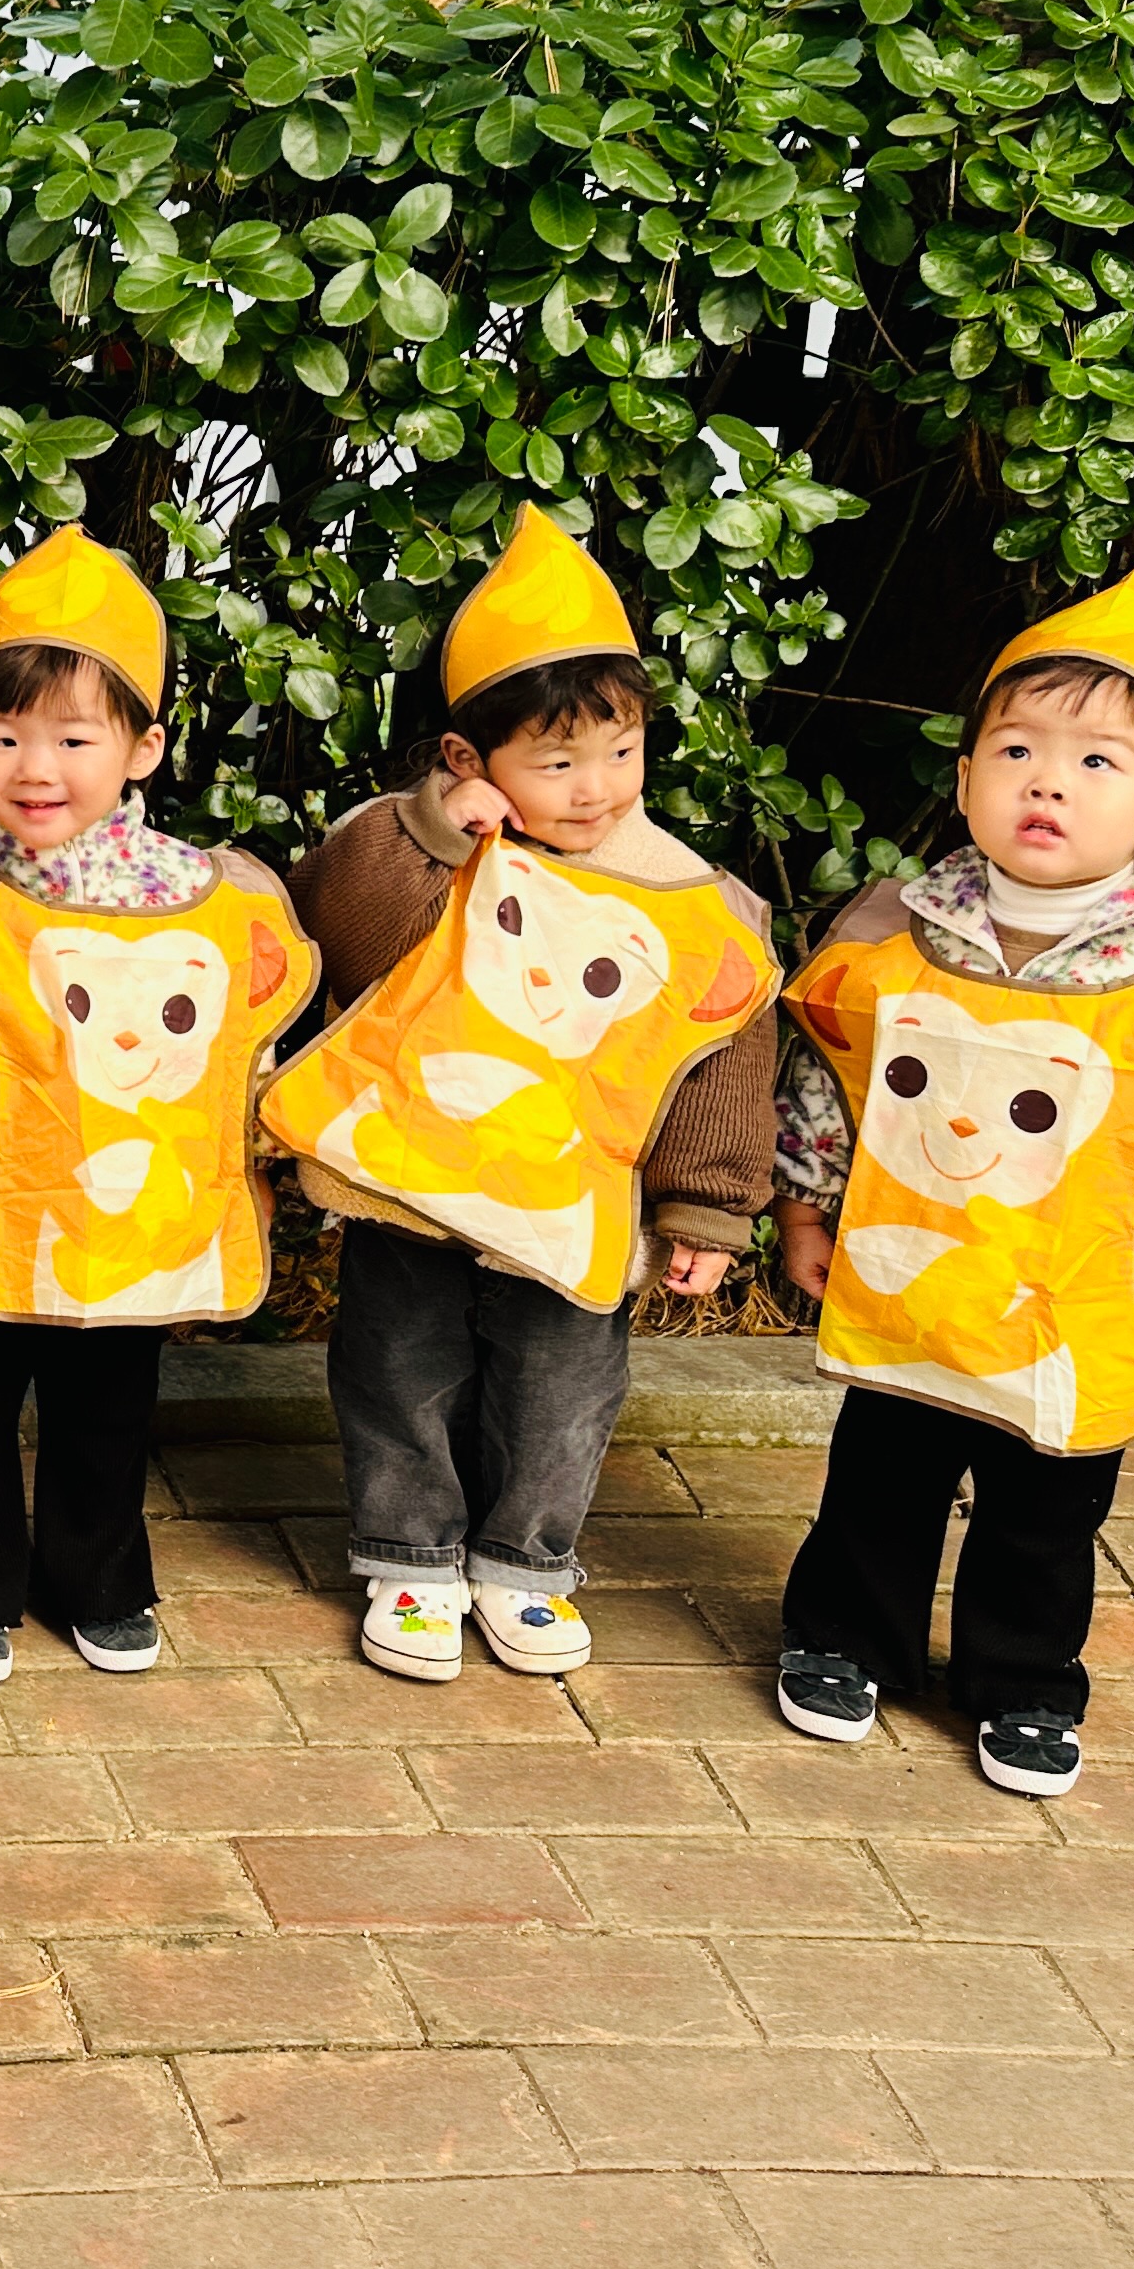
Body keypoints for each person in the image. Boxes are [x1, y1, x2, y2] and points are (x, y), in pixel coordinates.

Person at [769, 563, 1134, 1796]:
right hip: (912, 1288)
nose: (1049, 781)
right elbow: (832, 1076)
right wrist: (805, 1204)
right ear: (966, 778)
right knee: (878, 1480)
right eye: (1018, 749)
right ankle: (845, 1637)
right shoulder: (891, 934)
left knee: (1045, 1516)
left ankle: (1024, 1682)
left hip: (1072, 1316)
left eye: (1096, 760)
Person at [264, 506, 780, 1685]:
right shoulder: (425, 843)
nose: (596, 789)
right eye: (556, 763)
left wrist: (707, 1207)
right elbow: (336, 931)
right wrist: (435, 836)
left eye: (621, 752)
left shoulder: (695, 898)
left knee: (563, 1388)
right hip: (414, 1180)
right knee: (398, 1363)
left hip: (575, 1200)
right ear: (467, 758)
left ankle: (526, 1561)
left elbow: (723, 1054)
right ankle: (409, 1553)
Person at [0, 529, 312, 1684]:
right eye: (3, 735)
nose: (33, 766)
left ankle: (99, 1575)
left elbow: (240, 1054)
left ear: (143, 747)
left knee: (110, 1405)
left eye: (72, 737)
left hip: (135, 1214)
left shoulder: (207, 898)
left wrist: (246, 1166)